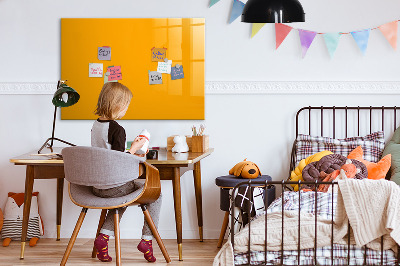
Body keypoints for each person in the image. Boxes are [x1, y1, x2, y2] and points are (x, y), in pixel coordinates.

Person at [91, 82, 162, 263]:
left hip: (97, 186)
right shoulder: (117, 129)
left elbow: (108, 154)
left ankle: (104, 238)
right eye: (126, 105)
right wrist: (136, 148)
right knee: (156, 194)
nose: (126, 110)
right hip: (114, 186)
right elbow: (119, 161)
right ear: (117, 105)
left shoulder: (96, 125)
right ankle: (147, 240)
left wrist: (132, 150)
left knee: (121, 198)